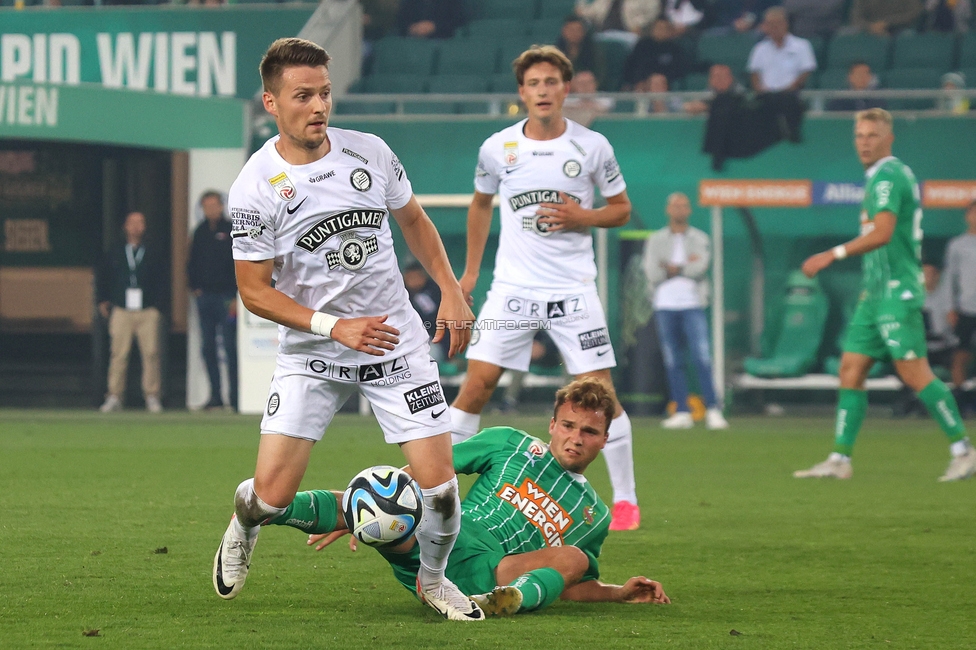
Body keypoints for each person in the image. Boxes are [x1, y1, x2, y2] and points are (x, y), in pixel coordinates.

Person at [213, 38, 484, 622]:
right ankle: (245, 516)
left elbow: (413, 219)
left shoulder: (370, 153)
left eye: (325, 93)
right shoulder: (256, 187)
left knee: (438, 488)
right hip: (315, 350)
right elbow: (253, 291)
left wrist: (452, 288)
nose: (319, 106)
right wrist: (335, 327)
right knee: (272, 496)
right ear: (270, 102)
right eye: (303, 95)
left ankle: (433, 582)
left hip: (393, 341)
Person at [449, 45, 642, 532]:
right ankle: (440, 487)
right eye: (533, 83)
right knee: (476, 387)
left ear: (565, 89)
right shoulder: (497, 148)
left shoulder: (592, 146)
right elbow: (479, 206)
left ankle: (626, 501)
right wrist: (470, 274)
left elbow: (620, 209)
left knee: (602, 393)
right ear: (522, 91)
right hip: (513, 288)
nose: (542, 91)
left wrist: (585, 216)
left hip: (574, 290)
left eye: (551, 82)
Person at [308, 378, 671, 616]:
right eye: (568, 425)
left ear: (605, 440)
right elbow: (434, 467)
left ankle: (499, 602)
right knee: (339, 501)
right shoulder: (511, 443)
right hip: (446, 540)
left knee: (574, 558)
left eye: (590, 431)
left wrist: (617, 593)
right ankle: (255, 510)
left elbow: (566, 583)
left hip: (497, 574)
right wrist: (369, 506)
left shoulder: (595, 514)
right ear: (552, 425)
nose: (576, 438)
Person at [794, 108, 975, 482]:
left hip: (897, 291)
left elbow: (883, 233)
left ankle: (964, 450)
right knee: (851, 369)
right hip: (873, 293)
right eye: (859, 135)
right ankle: (839, 459)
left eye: (872, 135)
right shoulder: (878, 177)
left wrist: (832, 254)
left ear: (889, 139)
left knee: (913, 372)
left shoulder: (889, 176)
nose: (864, 142)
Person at [642, 193, 728, 430]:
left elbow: (700, 267)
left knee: (701, 358)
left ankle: (713, 410)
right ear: (668, 210)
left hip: (693, 304)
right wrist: (683, 267)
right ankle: (681, 411)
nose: (679, 210)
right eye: (675, 206)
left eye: (683, 206)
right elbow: (651, 271)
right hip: (664, 306)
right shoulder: (657, 239)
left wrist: (673, 268)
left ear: (688, 210)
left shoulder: (699, 238)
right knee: (673, 360)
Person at [97, 211, 165, 414]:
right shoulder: (115, 251)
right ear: (125, 226)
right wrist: (103, 300)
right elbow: (104, 276)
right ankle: (114, 395)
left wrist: (158, 306)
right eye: (132, 223)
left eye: (140, 223)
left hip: (147, 309)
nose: (136, 227)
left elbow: (162, 280)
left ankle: (152, 395)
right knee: (118, 353)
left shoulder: (153, 251)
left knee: (151, 353)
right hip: (122, 309)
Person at [188, 190, 238, 411]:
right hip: (205, 297)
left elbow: (239, 264)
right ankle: (215, 396)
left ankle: (236, 398)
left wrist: (237, 295)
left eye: (214, 205)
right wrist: (195, 288)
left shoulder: (231, 230)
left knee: (230, 347)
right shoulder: (199, 232)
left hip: (227, 297)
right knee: (207, 347)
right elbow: (191, 263)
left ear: (221, 206)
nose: (210, 210)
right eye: (206, 206)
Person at [892, 262, 958, 416]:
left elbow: (949, 330)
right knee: (902, 360)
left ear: (938, 275)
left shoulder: (946, 297)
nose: (927, 277)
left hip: (942, 350)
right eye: (923, 274)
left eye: (931, 273)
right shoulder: (911, 295)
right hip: (919, 348)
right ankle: (909, 402)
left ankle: (934, 404)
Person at [945, 200, 976, 415]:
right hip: (966, 308)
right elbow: (950, 278)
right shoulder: (958, 244)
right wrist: (950, 307)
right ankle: (961, 398)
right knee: (960, 355)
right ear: (967, 216)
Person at [747, 7, 817, 94]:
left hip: (792, 96)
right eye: (770, 24)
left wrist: (789, 90)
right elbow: (754, 73)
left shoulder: (802, 46)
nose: (774, 28)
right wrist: (761, 91)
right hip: (766, 97)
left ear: (785, 24)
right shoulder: (760, 49)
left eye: (777, 24)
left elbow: (806, 72)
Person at [622, 18, 688, 90]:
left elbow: (679, 70)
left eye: (664, 29)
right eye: (658, 28)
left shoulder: (675, 48)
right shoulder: (642, 45)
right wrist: (639, 81)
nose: (661, 31)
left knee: (657, 82)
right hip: (641, 83)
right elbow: (631, 66)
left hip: (664, 84)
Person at [575, 0, 662, 46]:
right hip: (603, 32)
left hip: (630, 33)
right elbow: (594, 12)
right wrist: (582, 11)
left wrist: (640, 26)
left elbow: (653, 14)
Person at [556, 16, 607, 90]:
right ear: (564, 31)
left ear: (583, 32)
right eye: (571, 30)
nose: (574, 33)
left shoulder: (594, 51)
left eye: (578, 30)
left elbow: (600, 74)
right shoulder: (556, 53)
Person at [848, 0, 925, 36]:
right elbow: (856, 17)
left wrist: (887, 22)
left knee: (908, 35)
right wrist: (871, 27)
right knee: (846, 34)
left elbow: (915, 12)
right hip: (868, 29)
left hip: (899, 28)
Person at [396, 0, 465, 39]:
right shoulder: (409, 2)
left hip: (444, 43)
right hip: (411, 44)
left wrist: (434, 26)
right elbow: (401, 21)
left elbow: (458, 21)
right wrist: (411, 28)